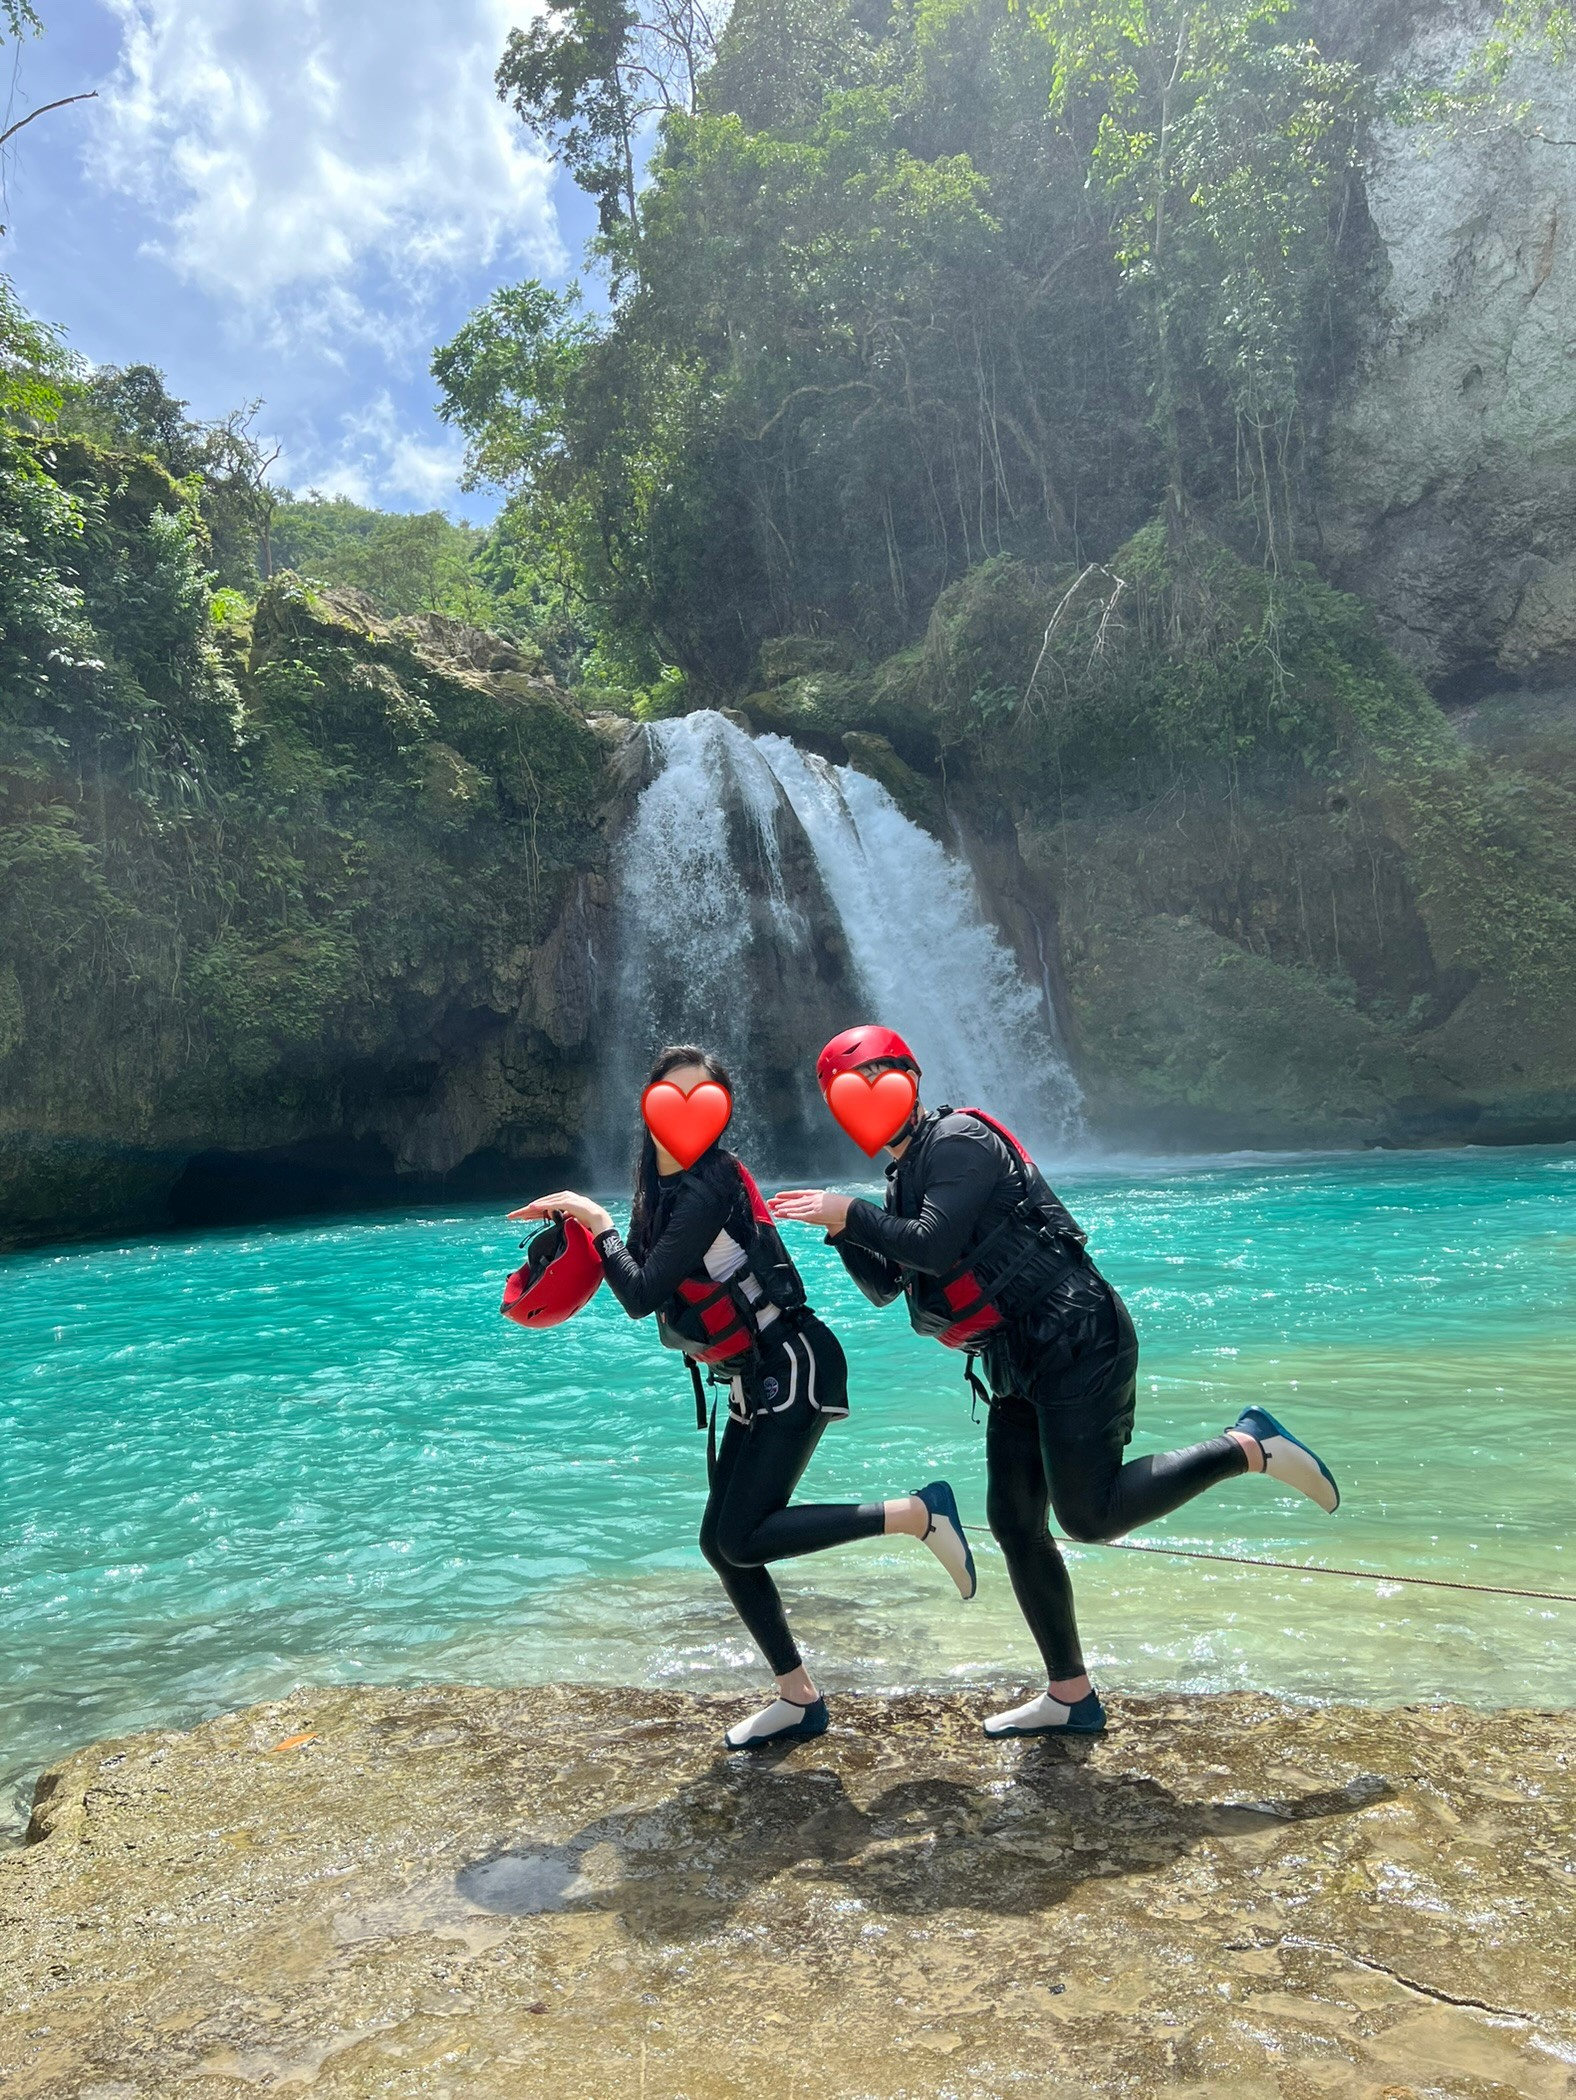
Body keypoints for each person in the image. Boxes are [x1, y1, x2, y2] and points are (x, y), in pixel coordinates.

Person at [770, 1025, 1341, 1741]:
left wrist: (849, 1212)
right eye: (842, 1096)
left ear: (909, 1080)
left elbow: (935, 1244)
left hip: (1077, 1334)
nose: (860, 1102)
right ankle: (1070, 1695)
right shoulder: (900, 1177)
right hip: (1014, 1358)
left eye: (877, 1079)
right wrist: (841, 1231)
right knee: (1014, 1523)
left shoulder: (959, 1143)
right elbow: (887, 1286)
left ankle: (1248, 1446)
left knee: (1090, 1516)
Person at [512, 1042, 978, 1751]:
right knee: (722, 1545)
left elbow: (641, 1294)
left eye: (704, 1099)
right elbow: (652, 1282)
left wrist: (590, 1216)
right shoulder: (662, 1189)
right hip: (754, 1377)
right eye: (672, 1096)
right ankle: (798, 1698)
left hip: (791, 1363)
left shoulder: (710, 1184)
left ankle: (917, 1514)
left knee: (740, 1535)